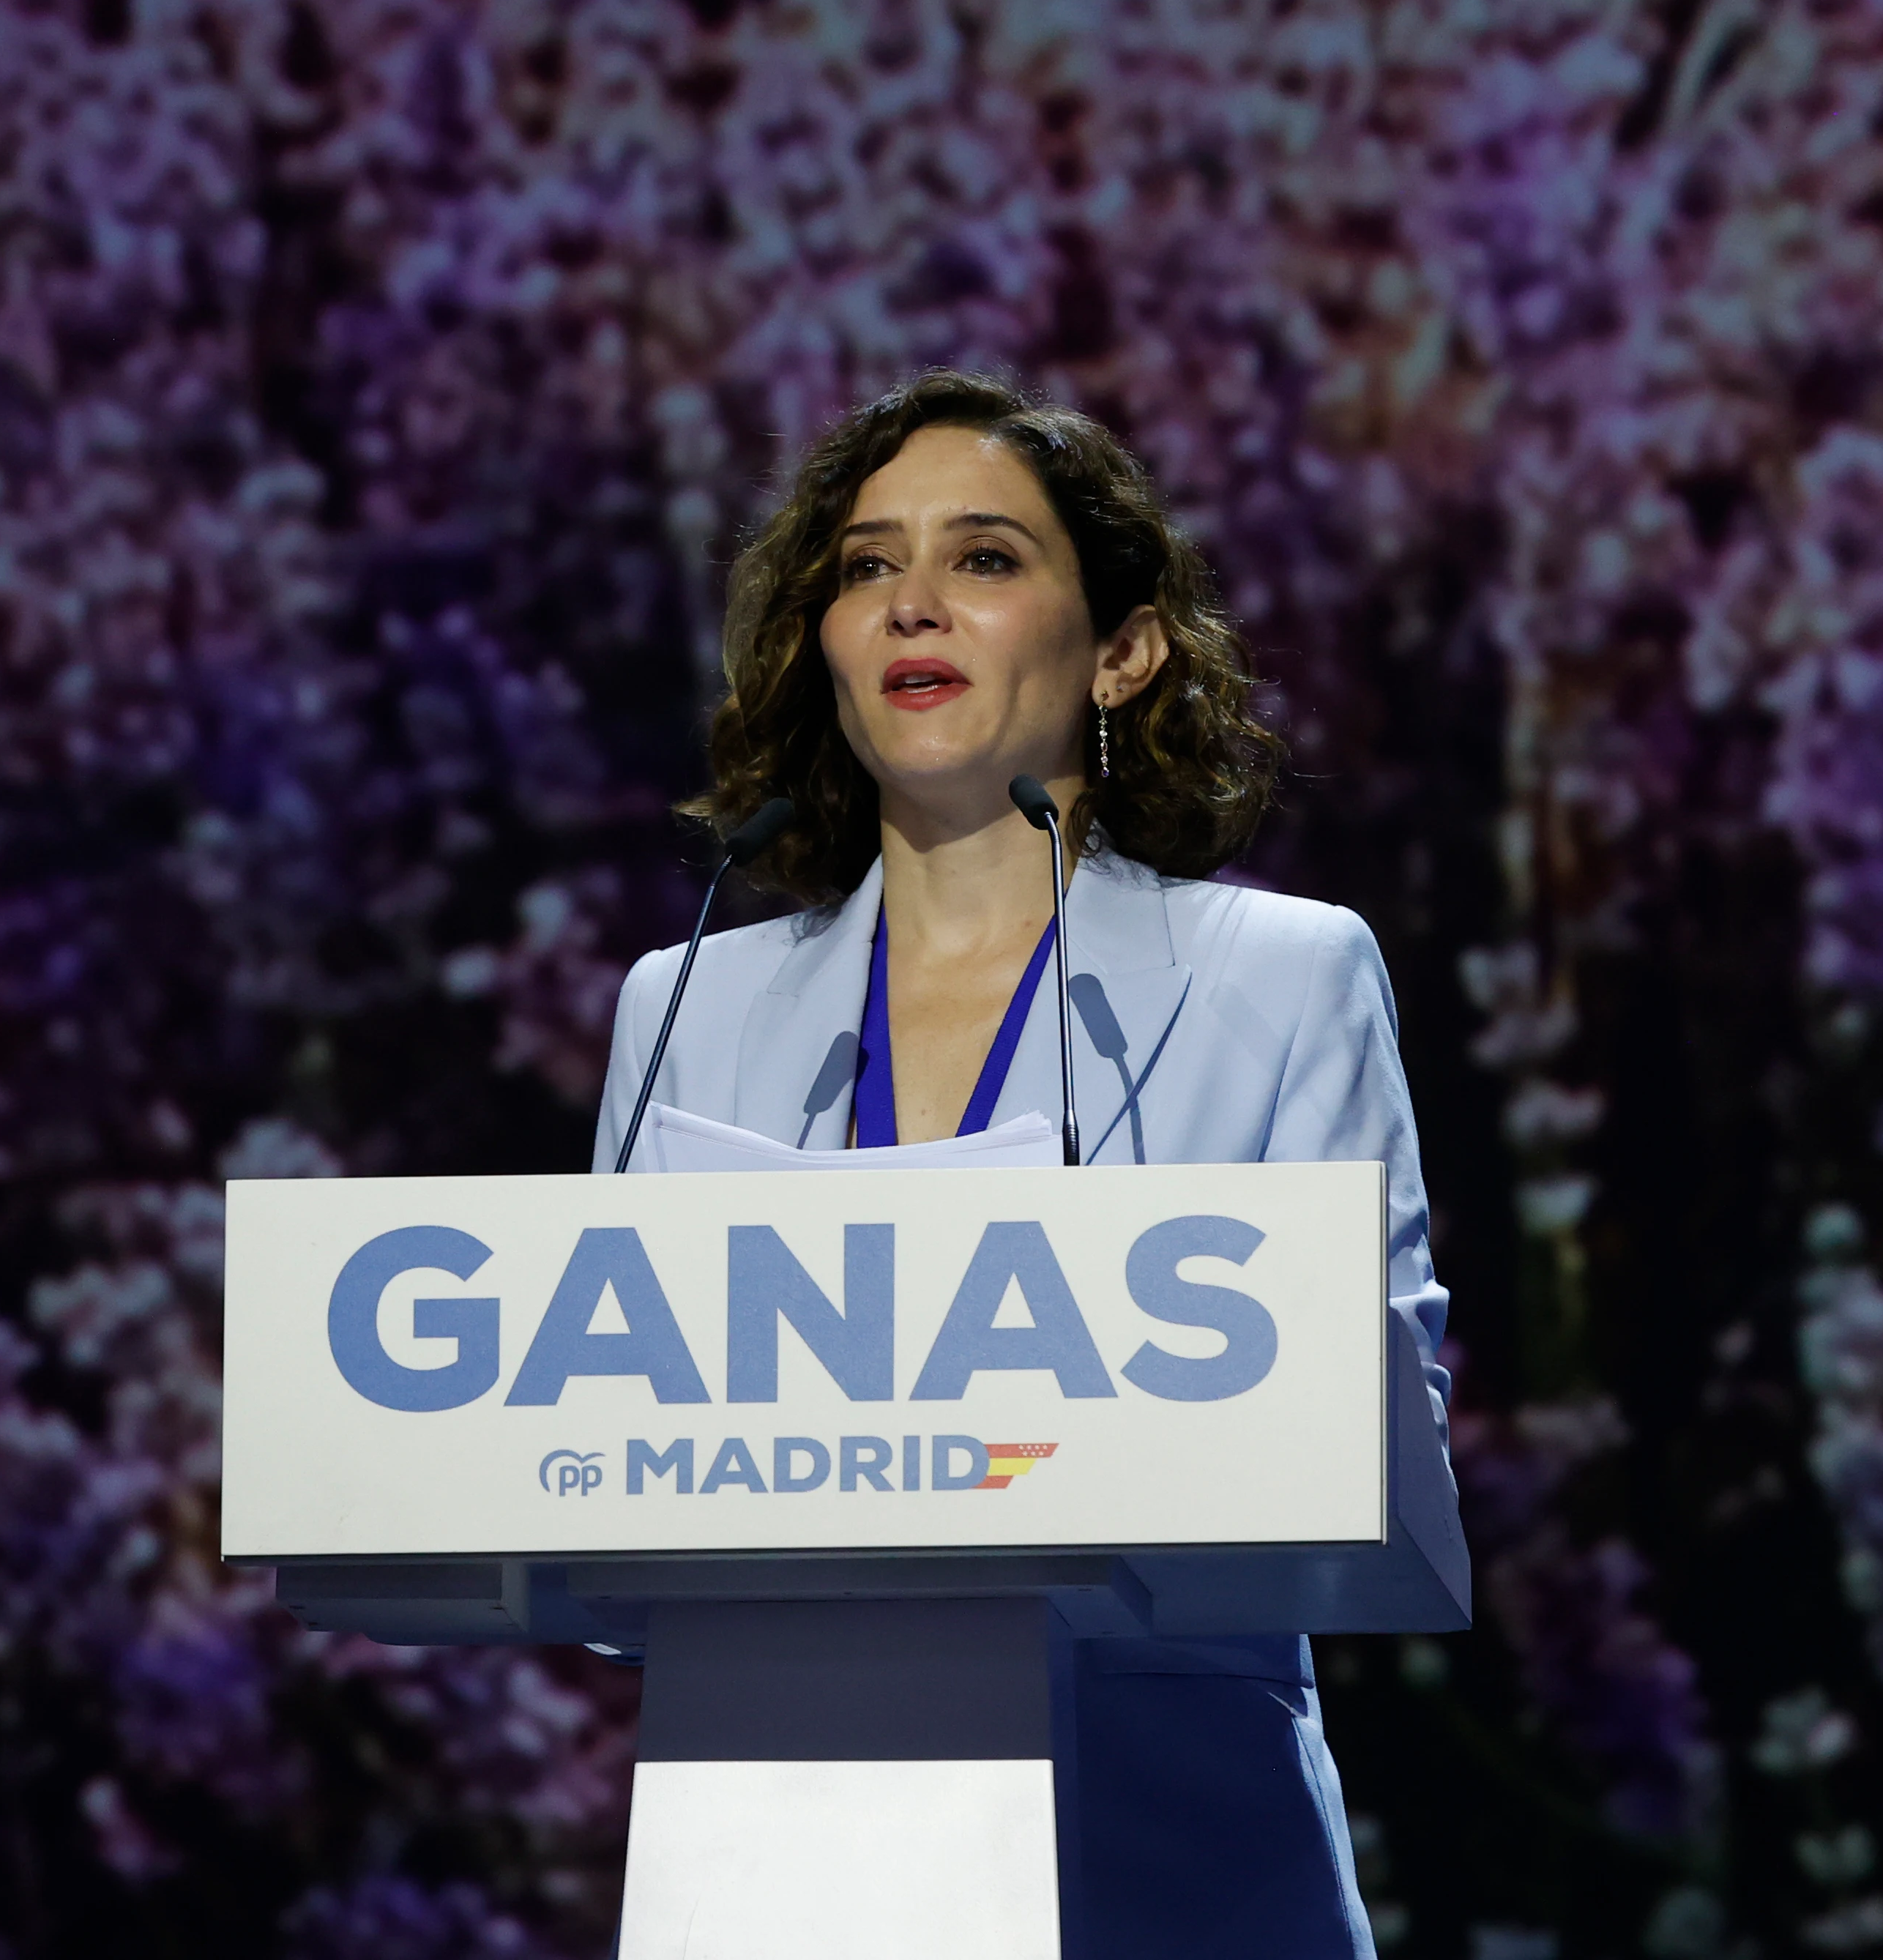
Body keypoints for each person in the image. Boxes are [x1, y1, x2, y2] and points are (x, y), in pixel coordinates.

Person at [589, 367, 1449, 1960]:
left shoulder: (1281, 976)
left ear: (1121, 651)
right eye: (865, 567)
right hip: (779, 1854)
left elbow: (1377, 1417)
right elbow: (595, 1442)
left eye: (985, 559)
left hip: (1171, 1852)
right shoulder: (687, 1000)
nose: (913, 601)